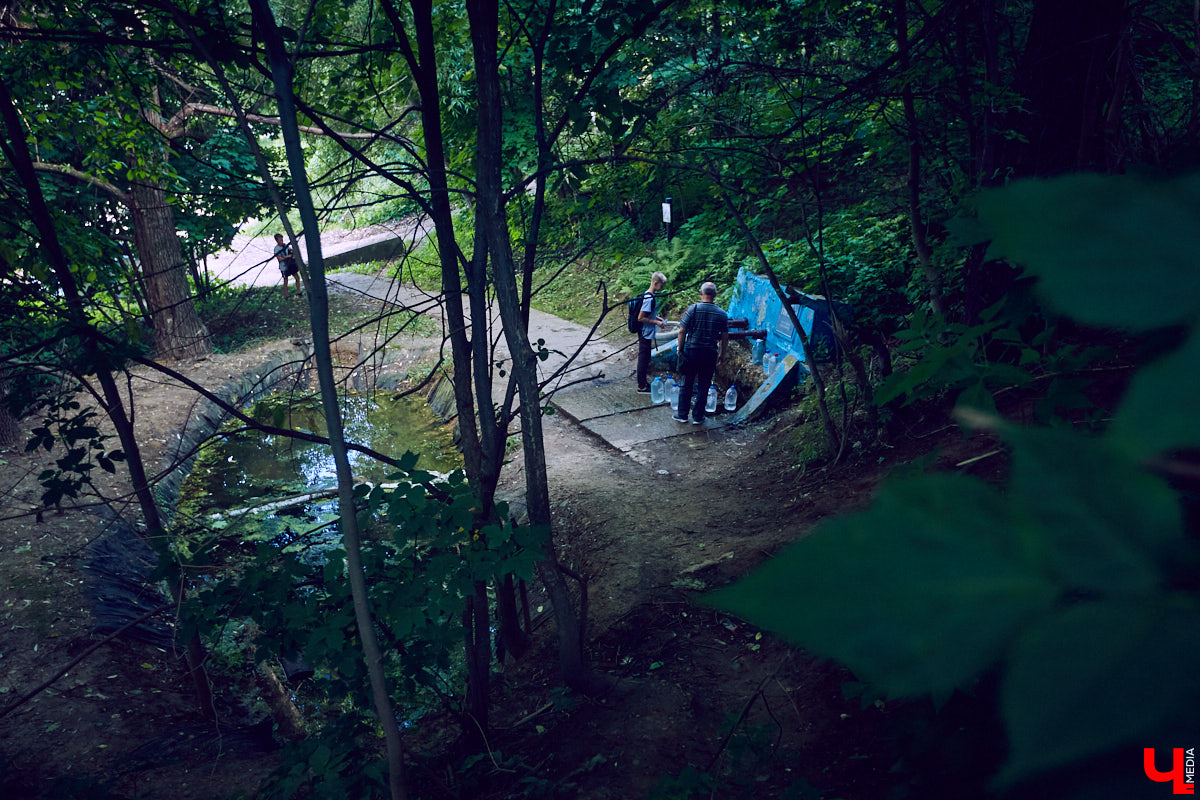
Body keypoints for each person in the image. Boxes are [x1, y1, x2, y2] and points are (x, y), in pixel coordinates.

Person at [673, 281, 728, 424]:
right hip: (710, 353)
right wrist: (722, 354)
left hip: (692, 351)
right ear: (715, 294)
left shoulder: (693, 309)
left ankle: (682, 414)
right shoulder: (722, 314)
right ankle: (698, 416)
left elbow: (681, 331)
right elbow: (724, 337)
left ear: (701, 293)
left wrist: (680, 349)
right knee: (704, 384)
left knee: (687, 382)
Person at [635, 272, 668, 393]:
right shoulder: (649, 298)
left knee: (646, 356)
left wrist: (658, 318)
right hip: (645, 332)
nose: (662, 287)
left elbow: (649, 312)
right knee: (643, 358)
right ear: (655, 283)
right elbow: (640, 317)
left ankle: (643, 383)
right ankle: (642, 385)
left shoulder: (648, 295)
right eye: (661, 285)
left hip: (647, 331)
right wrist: (656, 322)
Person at [273, 233, 300, 298]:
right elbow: (279, 259)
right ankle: (286, 295)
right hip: (284, 266)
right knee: (286, 281)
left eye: (282, 239)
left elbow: (292, 253)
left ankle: (299, 292)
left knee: (297, 278)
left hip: (290, 264)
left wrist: (290, 256)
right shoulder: (276, 249)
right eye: (280, 240)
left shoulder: (286, 246)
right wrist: (287, 256)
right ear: (277, 240)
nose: (282, 241)